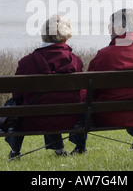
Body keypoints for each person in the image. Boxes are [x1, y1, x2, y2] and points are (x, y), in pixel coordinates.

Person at [81, 8, 133, 151]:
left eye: (111, 27)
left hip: (109, 115)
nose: (110, 31)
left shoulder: (103, 55)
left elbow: (91, 90)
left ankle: (80, 146)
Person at [5, 14, 83, 159]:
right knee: (54, 102)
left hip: (32, 121)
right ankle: (60, 150)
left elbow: (17, 95)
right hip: (67, 119)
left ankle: (15, 152)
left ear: (44, 35)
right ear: (66, 37)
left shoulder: (26, 62)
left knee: (15, 104)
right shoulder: (76, 62)